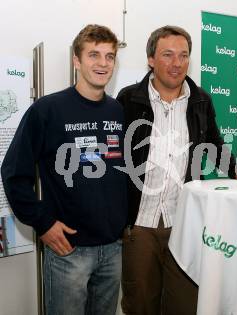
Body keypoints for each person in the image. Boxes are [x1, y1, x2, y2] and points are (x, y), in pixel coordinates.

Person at [116, 25, 237, 315]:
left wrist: (236, 170)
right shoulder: (128, 99)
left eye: (183, 55)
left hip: (186, 221)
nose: (176, 63)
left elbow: (214, 144)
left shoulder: (201, 99)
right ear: (151, 60)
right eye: (167, 55)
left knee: (185, 305)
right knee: (140, 305)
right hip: (139, 224)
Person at [1, 24, 127, 315]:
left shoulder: (117, 111)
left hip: (113, 249)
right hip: (69, 250)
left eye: (109, 56)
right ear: (77, 60)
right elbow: (13, 173)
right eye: (94, 55)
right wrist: (43, 223)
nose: (103, 63)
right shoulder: (48, 110)